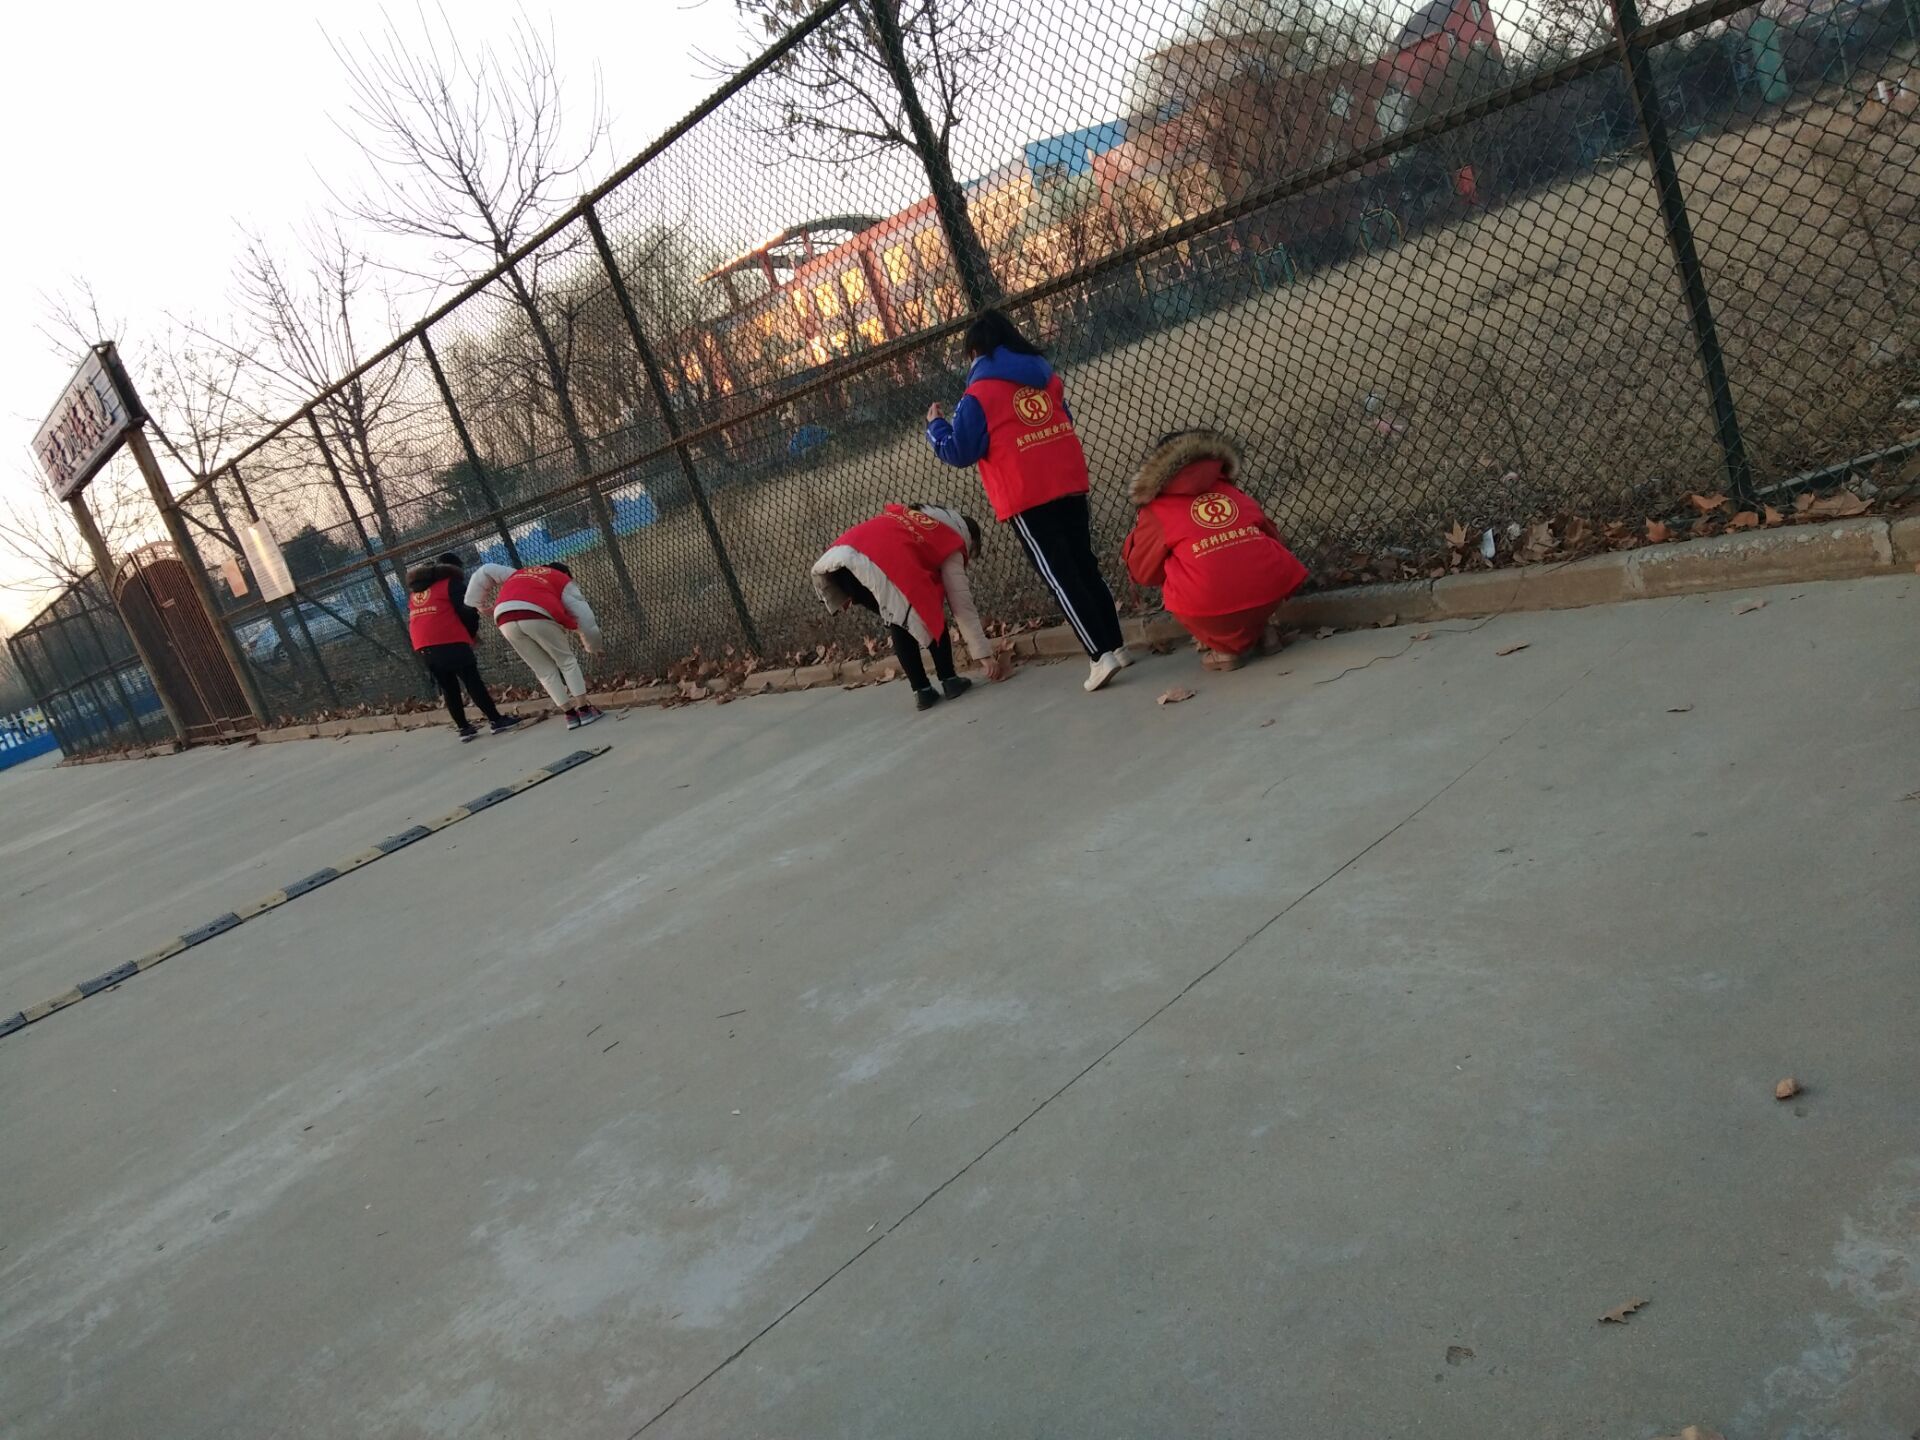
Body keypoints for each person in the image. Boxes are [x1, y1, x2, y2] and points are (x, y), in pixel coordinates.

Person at [925, 310, 1132, 693]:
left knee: (1060, 576)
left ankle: (1099, 656)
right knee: (1084, 564)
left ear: (976, 353)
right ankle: (1116, 646)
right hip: (1068, 478)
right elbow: (1064, 418)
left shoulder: (977, 395)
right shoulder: (1045, 377)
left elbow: (960, 450)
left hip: (1026, 493)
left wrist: (935, 427)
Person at [1121, 430, 1309, 670]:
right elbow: (1273, 536)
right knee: (1249, 561)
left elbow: (1144, 572)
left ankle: (1225, 650)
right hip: (1270, 587)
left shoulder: (1157, 509)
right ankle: (1264, 631)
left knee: (1184, 573)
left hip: (1208, 602)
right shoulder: (1231, 490)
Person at [812, 502, 1007, 712]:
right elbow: (961, 603)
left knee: (898, 618)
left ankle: (922, 690)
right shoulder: (952, 541)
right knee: (929, 610)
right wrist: (983, 654)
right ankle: (949, 680)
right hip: (871, 563)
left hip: (839, 561)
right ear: (971, 539)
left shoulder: (920, 518)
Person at [464, 561, 605, 729]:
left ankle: (570, 715)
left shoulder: (520, 573)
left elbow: (486, 570)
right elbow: (585, 617)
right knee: (566, 661)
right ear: (567, 574)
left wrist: (476, 604)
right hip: (538, 614)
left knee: (543, 670)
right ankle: (584, 709)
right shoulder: (561, 579)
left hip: (504, 618)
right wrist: (593, 647)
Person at [406, 552, 519, 742]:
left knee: (449, 688)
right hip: (449, 640)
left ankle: (464, 728)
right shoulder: (451, 584)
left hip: (424, 645)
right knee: (472, 681)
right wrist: (471, 634)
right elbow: (468, 612)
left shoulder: (416, 593)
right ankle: (496, 720)